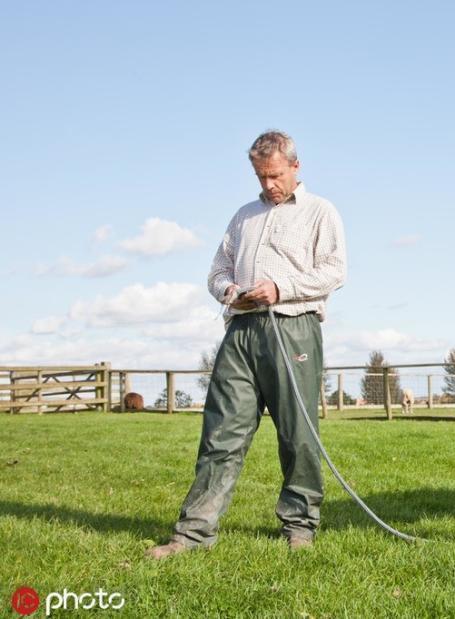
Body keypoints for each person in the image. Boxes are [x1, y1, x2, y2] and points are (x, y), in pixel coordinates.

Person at [147, 130, 347, 558]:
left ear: (295, 167)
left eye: (274, 175)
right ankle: (194, 533)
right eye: (260, 177)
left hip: (293, 328)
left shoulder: (320, 212)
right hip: (240, 333)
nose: (268, 185)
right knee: (220, 433)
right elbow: (216, 271)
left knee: (298, 434)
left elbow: (334, 270)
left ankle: (299, 525)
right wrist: (230, 292)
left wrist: (282, 287)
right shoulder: (243, 216)